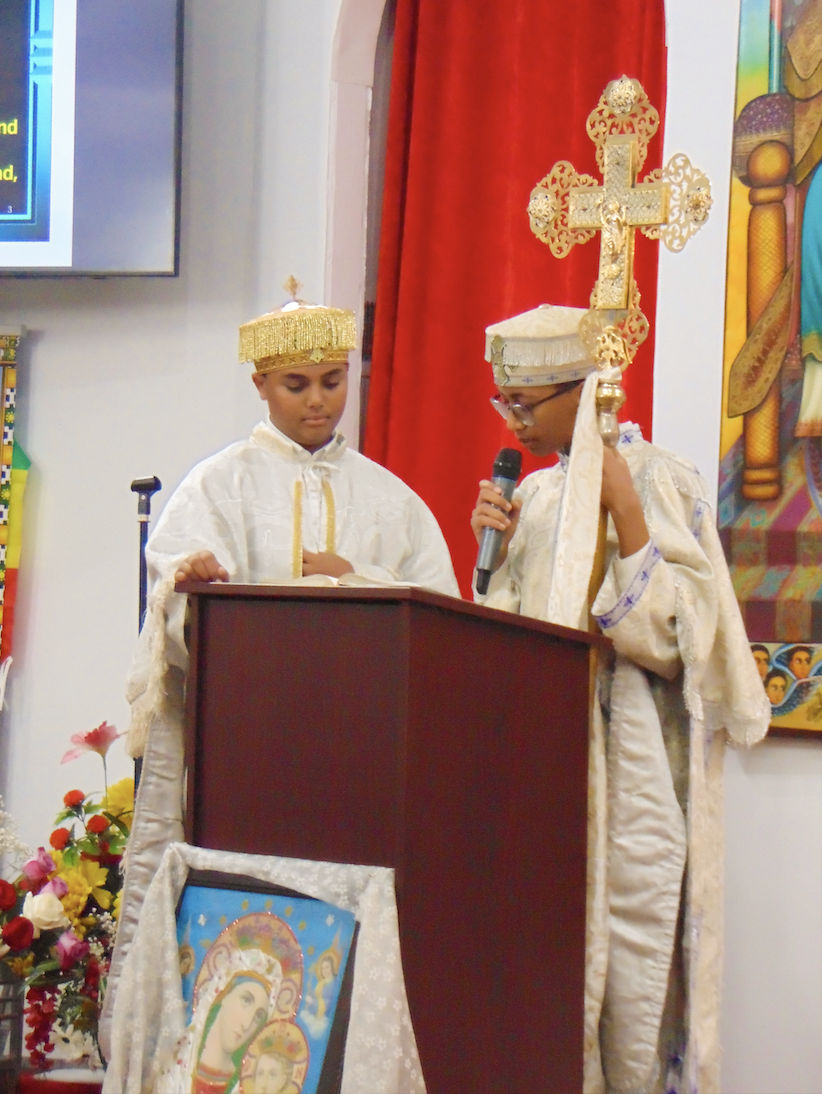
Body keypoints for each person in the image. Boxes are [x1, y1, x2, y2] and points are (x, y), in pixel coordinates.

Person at [101, 292, 459, 1058]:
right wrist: (188, 588)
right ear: (260, 384)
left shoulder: (394, 501)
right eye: (298, 385)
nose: (320, 401)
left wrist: (352, 575)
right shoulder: (217, 487)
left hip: (366, 772)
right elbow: (177, 628)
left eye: (334, 380)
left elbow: (442, 621)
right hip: (250, 768)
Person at [470, 304, 770, 1094]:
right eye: (503, 402)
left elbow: (685, 639)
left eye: (523, 405)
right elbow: (508, 641)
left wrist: (628, 514)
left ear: (584, 390)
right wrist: (488, 559)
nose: (512, 422)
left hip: (633, 776)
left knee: (629, 992)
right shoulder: (533, 497)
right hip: (544, 776)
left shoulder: (661, 480)